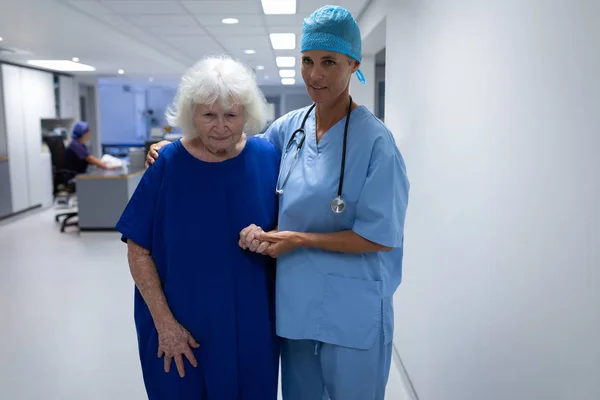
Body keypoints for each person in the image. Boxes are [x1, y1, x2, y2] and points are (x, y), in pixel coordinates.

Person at [147, 6, 410, 400]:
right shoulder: (291, 128)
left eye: (328, 62)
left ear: (353, 64)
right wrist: (179, 147)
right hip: (297, 309)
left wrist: (299, 240)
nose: (315, 74)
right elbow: (236, 149)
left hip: (353, 311)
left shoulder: (376, 144)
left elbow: (381, 237)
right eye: (307, 61)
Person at [116, 56, 280, 400]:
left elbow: (287, 228)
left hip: (249, 327)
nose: (220, 126)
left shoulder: (268, 158)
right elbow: (138, 250)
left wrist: (268, 237)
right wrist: (165, 325)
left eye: (231, 115)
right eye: (209, 115)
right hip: (179, 332)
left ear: (246, 115)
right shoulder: (167, 165)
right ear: (192, 116)